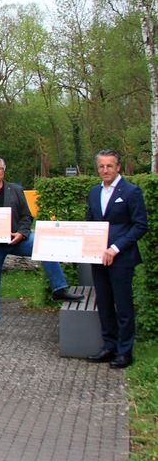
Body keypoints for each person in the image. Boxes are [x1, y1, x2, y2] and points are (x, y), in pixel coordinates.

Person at [0, 156, 82, 339]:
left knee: (44, 243)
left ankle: (59, 289)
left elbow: (26, 216)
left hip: (16, 240)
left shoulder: (16, 190)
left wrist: (21, 233)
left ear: (3, 171)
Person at [85, 149, 148, 369]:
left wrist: (115, 248)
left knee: (123, 305)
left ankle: (124, 351)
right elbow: (90, 223)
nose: (105, 170)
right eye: (101, 166)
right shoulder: (93, 192)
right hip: (98, 258)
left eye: (109, 166)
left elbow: (140, 225)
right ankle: (109, 346)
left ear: (118, 167)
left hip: (121, 258)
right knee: (103, 303)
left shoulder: (131, 191)